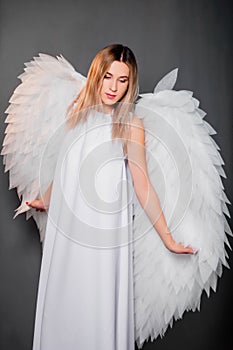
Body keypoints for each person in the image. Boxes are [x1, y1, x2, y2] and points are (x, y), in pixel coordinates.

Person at [2, 44, 230, 350]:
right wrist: (46, 199)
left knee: (98, 304)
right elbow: (69, 166)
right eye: (108, 77)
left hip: (104, 233)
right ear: (97, 75)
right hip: (67, 228)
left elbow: (142, 184)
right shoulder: (76, 113)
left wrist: (168, 239)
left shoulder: (131, 126)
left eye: (122, 80)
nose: (113, 87)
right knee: (64, 299)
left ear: (130, 83)